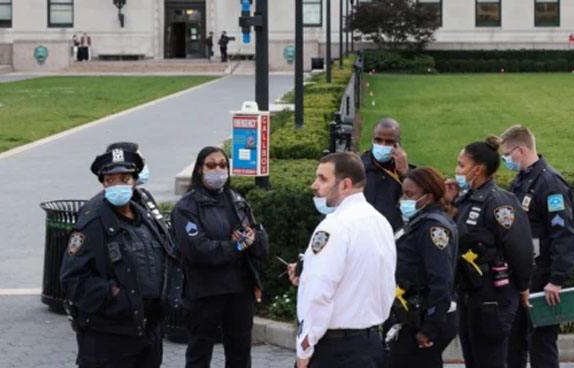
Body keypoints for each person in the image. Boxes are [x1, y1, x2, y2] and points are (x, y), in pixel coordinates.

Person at [60, 146, 176, 368]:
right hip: (108, 336)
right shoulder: (92, 221)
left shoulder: (146, 215)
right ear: (103, 183)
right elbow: (72, 278)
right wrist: (114, 295)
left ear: (134, 181)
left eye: (124, 178)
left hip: (147, 330)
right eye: (110, 180)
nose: (118, 185)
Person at [290, 151, 396, 368]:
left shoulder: (334, 226)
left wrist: (305, 347)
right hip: (370, 344)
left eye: (323, 178)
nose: (314, 185)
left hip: (336, 349)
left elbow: (319, 293)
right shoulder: (380, 222)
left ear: (345, 185)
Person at [173, 146, 269, 368]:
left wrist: (250, 241)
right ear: (200, 169)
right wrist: (235, 246)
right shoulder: (187, 207)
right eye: (211, 165)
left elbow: (259, 239)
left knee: (240, 352)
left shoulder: (237, 200)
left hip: (239, 291)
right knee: (200, 353)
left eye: (223, 165)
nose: (218, 169)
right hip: (205, 292)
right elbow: (198, 249)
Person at [501, 125, 574, 368]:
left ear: (520, 150)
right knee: (514, 340)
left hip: (542, 276)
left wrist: (556, 279)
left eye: (507, 154)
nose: (505, 160)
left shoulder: (549, 183)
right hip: (522, 273)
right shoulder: (522, 180)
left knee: (541, 343)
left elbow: (563, 234)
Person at [453, 136, 534, 368]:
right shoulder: (467, 200)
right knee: (473, 360)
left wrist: (523, 286)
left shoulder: (499, 203)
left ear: (477, 169)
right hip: (470, 294)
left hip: (493, 297)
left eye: (461, 165)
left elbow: (520, 249)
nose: (457, 170)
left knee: (490, 360)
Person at [388, 166, 459, 368]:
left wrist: (429, 328)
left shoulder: (432, 228)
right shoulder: (416, 223)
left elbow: (441, 279)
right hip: (411, 315)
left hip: (424, 317)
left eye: (410, 195)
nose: (403, 200)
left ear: (427, 198)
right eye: (403, 193)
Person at [360, 117, 414, 232]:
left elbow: (417, 199)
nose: (383, 145)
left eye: (389, 142)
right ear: (372, 140)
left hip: (394, 235)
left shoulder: (408, 172)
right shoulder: (358, 168)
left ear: (398, 144)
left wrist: (405, 173)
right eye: (378, 140)